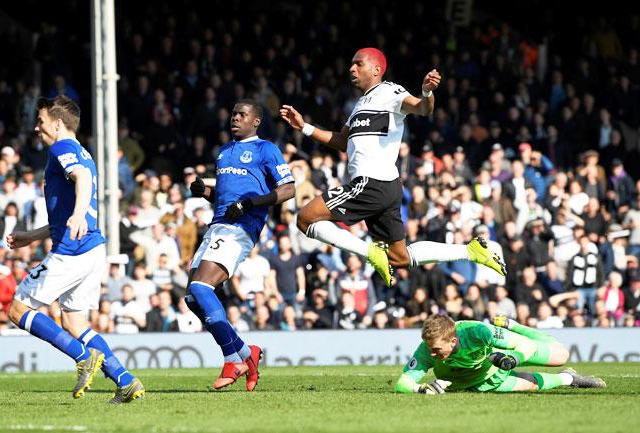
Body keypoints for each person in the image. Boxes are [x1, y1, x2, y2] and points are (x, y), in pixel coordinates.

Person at [280, 48, 506, 288]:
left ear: (376, 69)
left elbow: (422, 108)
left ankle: (369, 252)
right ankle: (471, 252)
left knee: (304, 219)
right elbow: (342, 141)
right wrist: (304, 127)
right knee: (399, 257)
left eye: (358, 64)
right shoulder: (359, 105)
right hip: (385, 187)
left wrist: (426, 91)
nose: (351, 69)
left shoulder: (390, 91)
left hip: (370, 183)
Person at [6, 96, 144, 404]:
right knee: (74, 323)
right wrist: (32, 235)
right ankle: (125, 381)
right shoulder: (82, 151)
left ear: (56, 123)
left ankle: (83, 356)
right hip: (91, 247)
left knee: (17, 309)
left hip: (73, 250)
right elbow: (69, 208)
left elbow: (80, 180)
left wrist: (79, 212)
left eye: (40, 121)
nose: (37, 127)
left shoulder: (62, 148)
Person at [186, 98, 295, 390]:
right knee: (192, 299)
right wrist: (204, 191)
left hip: (241, 228)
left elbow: (288, 190)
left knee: (201, 288)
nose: (235, 118)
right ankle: (248, 354)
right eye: (233, 113)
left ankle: (230, 359)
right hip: (217, 226)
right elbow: (223, 199)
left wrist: (251, 203)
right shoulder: (223, 152)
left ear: (255, 121)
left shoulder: (266, 149)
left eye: (242, 114)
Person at [394, 314, 605, 394]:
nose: (431, 354)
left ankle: (514, 324)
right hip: (472, 383)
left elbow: (526, 346)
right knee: (530, 384)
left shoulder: (479, 332)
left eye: (437, 350)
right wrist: (419, 389)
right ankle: (569, 378)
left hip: (492, 366)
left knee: (561, 355)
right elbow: (401, 382)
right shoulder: (426, 349)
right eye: (430, 348)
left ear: (453, 340)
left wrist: (514, 359)